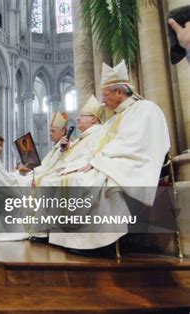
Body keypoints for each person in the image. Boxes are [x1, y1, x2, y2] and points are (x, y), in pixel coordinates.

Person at [47, 60, 170, 254]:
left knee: (85, 180)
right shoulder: (113, 119)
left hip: (133, 162)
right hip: (111, 161)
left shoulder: (144, 109)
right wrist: (84, 163)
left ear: (119, 93)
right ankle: (77, 240)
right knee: (71, 177)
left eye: (106, 95)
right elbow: (96, 147)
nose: (103, 101)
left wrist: (96, 162)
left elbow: (134, 143)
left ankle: (99, 243)